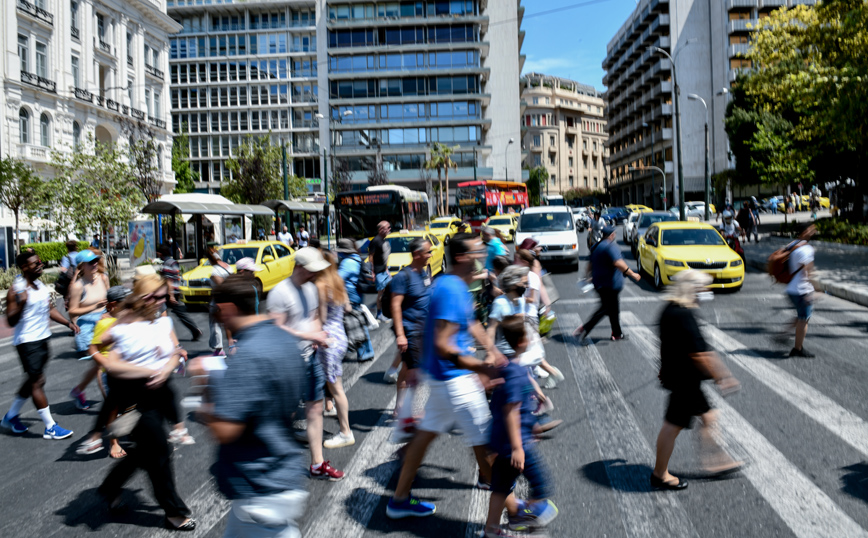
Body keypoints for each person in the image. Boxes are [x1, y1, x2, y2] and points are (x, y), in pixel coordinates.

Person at [386, 233, 504, 519]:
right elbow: (443, 343)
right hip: (455, 379)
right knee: (489, 441)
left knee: (424, 437)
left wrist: (490, 348)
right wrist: (480, 368)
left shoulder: (457, 286)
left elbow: (472, 321)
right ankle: (515, 511)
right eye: (478, 251)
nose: (482, 255)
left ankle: (399, 499)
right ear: (462, 257)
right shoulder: (451, 289)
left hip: (444, 379)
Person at [191, 275, 309, 538]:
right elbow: (289, 409)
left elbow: (224, 430)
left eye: (214, 310)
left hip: (260, 488)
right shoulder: (284, 340)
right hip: (274, 479)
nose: (214, 317)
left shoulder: (247, 356)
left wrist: (205, 385)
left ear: (228, 309)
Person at [95, 275, 195, 530]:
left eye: (164, 296)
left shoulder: (161, 320)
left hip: (158, 394)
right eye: (157, 297)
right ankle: (174, 512)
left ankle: (109, 487)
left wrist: (165, 369)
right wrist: (127, 368)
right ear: (142, 297)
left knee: (144, 452)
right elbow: (100, 350)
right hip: (132, 398)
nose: (163, 301)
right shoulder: (124, 322)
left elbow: (175, 351)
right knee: (160, 452)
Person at [653, 270, 742, 490]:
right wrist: (723, 376)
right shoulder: (683, 315)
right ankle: (660, 474)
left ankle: (715, 461)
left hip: (681, 377)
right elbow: (700, 354)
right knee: (672, 426)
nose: (706, 293)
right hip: (685, 380)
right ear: (691, 289)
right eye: (702, 289)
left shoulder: (670, 309)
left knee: (709, 417)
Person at [268, 247, 345, 481]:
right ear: (299, 267)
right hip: (288, 361)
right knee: (285, 415)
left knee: (314, 409)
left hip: (309, 357)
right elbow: (276, 328)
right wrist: (310, 337)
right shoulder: (280, 292)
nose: (315, 274)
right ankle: (273, 464)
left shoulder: (311, 289)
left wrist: (318, 336)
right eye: (311, 270)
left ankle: (317, 463)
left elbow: (311, 318)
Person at [485, 316, 558, 537]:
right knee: (542, 485)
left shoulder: (510, 369)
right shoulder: (515, 374)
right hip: (515, 444)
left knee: (500, 488)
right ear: (521, 342)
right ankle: (525, 514)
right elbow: (511, 411)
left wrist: (533, 425)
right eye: (530, 336)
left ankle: (490, 530)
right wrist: (518, 447)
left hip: (501, 442)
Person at [1, 251, 79, 439]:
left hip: (43, 339)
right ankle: (50, 427)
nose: (39, 265)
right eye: (35, 263)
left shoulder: (38, 285)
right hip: (27, 342)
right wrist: (21, 305)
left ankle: (11, 416)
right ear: (24, 267)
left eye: (39, 262)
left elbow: (50, 309)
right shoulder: (16, 290)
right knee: (36, 382)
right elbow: (10, 321)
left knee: (33, 380)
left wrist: (68, 323)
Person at [76, 286, 131, 458]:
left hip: (128, 370)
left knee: (132, 406)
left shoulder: (128, 318)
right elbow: (94, 350)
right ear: (113, 305)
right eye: (126, 302)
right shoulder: (104, 323)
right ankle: (113, 443)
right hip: (109, 373)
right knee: (112, 409)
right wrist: (108, 365)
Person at [383, 237, 432, 411]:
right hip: (410, 330)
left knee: (407, 368)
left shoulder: (423, 273)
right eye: (428, 252)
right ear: (417, 254)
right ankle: (412, 413)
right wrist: (401, 334)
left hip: (423, 329)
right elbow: (395, 305)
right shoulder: (403, 277)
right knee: (415, 372)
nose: (431, 255)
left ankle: (400, 408)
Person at [574, 226, 641, 343]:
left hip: (599, 284)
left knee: (613, 309)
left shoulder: (596, 246)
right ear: (611, 235)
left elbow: (589, 265)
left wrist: (587, 276)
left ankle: (617, 333)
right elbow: (618, 263)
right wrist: (632, 274)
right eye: (614, 233)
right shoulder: (610, 246)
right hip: (610, 285)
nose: (615, 235)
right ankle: (584, 329)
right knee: (606, 309)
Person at [315, 251, 354, 449]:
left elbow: (321, 318)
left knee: (335, 388)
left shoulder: (321, 285)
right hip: (341, 336)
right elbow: (347, 308)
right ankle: (343, 428)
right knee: (335, 386)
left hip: (328, 338)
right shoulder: (338, 281)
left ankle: (346, 431)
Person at [67, 249, 110, 410]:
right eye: (90, 262)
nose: (94, 264)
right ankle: (110, 405)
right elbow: (72, 311)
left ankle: (78, 390)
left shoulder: (103, 278)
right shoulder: (78, 286)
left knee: (101, 364)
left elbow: (110, 300)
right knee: (100, 365)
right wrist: (94, 306)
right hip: (88, 326)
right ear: (81, 266)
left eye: (95, 261)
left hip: (105, 322)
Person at [336, 239, 375, 362]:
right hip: (357, 294)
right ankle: (362, 350)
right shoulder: (357, 258)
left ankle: (365, 352)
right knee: (356, 323)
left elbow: (338, 279)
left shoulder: (347, 262)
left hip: (350, 297)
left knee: (355, 324)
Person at [784, 225, 818, 358]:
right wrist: (817, 289)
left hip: (792, 288)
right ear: (804, 232)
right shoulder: (807, 249)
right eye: (811, 229)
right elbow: (808, 272)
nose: (813, 231)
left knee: (801, 316)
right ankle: (797, 349)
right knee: (804, 319)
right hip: (802, 290)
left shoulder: (793, 245)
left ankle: (784, 334)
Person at [158, 244, 203, 342]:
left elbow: (168, 281)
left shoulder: (166, 263)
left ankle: (194, 330)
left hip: (169, 293)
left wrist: (171, 296)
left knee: (161, 311)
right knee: (177, 313)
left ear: (160, 253)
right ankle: (194, 330)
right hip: (175, 290)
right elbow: (176, 277)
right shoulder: (173, 262)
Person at [207, 242, 233, 355]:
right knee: (228, 324)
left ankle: (219, 349)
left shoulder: (215, 271)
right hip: (230, 299)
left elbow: (220, 287)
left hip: (218, 301)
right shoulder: (228, 267)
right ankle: (232, 346)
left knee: (215, 324)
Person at [369, 221, 393, 322]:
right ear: (381, 229)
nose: (389, 229)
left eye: (389, 227)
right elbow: (371, 257)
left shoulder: (383, 240)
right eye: (387, 228)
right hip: (378, 272)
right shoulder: (376, 241)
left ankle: (387, 311)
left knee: (390, 291)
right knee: (381, 294)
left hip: (384, 271)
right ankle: (379, 314)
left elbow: (384, 257)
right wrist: (372, 272)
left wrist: (387, 269)